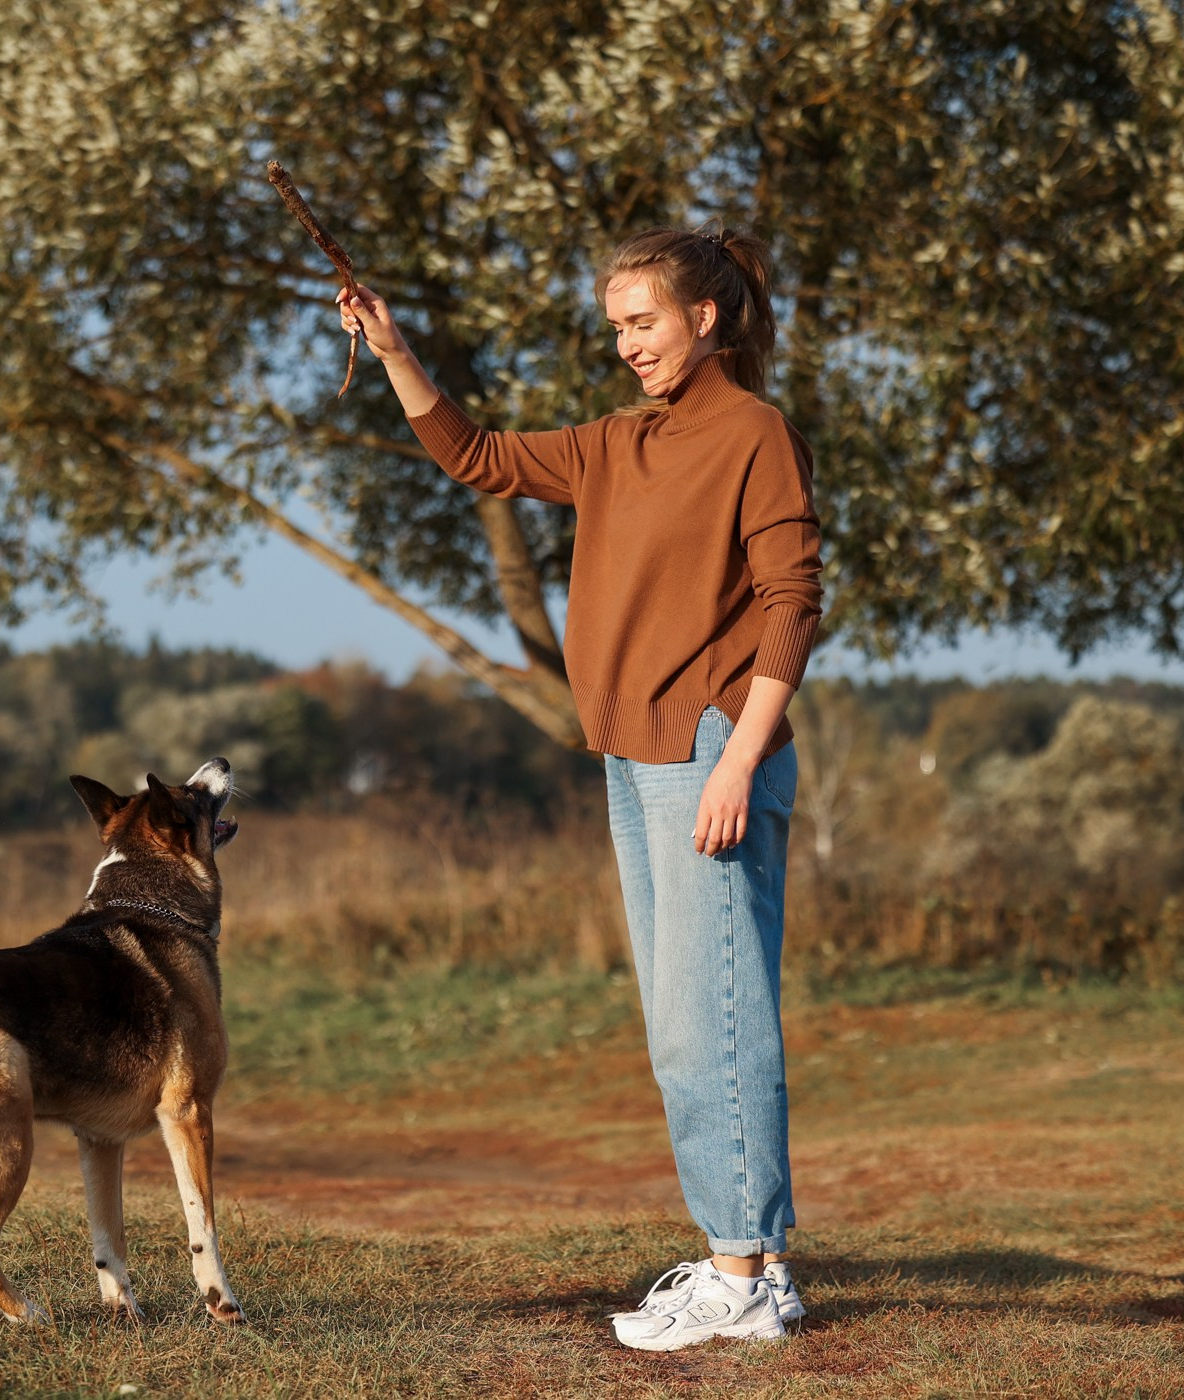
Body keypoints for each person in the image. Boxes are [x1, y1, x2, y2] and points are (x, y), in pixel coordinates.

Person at [338, 224, 822, 1351]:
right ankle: (762, 1259)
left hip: (709, 750)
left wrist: (740, 758)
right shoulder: (618, 441)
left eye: (643, 322)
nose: (627, 345)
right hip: (635, 753)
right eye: (616, 327)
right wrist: (398, 351)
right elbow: (480, 458)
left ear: (705, 318)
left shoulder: (754, 432)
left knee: (712, 1022)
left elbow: (793, 600)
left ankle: (739, 1274)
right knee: (687, 1020)